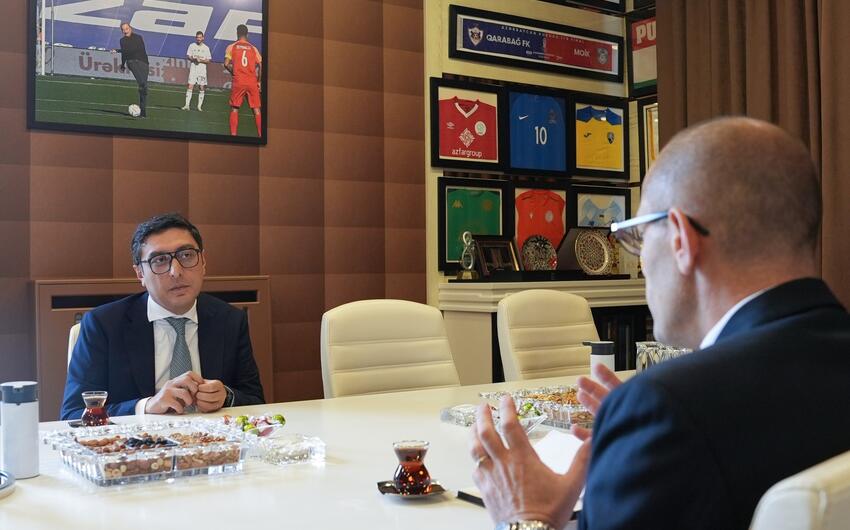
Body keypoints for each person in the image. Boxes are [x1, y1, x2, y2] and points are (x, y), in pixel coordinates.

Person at [471, 117, 850, 530]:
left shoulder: (670, 412)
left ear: (680, 239)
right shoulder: (666, 410)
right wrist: (633, 437)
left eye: (638, 236)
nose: (642, 262)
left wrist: (527, 517)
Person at [60, 213, 265, 420]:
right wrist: (146, 406)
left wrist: (227, 397)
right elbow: (73, 414)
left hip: (212, 438)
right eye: (159, 260)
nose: (176, 271)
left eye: (186, 255)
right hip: (139, 439)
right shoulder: (103, 325)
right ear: (140, 273)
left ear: (203, 261)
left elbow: (256, 401)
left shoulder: (230, 320)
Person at [224, 24, 262, 137]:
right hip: (251, 81)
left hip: (239, 81)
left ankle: (233, 134)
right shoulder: (253, 48)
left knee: (235, 108)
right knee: (256, 109)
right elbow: (261, 65)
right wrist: (259, 81)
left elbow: (226, 64)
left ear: (237, 33)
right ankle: (261, 135)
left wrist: (233, 72)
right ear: (247, 34)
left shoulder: (232, 47)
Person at [117, 23, 149, 118]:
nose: (125, 31)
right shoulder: (122, 40)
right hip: (132, 62)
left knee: (143, 87)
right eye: (123, 29)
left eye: (126, 28)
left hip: (143, 62)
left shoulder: (138, 37)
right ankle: (142, 86)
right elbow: (125, 54)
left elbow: (135, 49)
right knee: (142, 83)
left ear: (130, 28)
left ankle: (143, 112)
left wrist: (118, 50)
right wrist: (123, 64)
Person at [183, 31, 211, 111]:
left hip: (202, 71)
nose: (198, 39)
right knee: (190, 86)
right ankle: (187, 105)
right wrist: (194, 59)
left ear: (203, 38)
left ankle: (199, 107)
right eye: (197, 37)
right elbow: (188, 56)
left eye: (200, 37)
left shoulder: (206, 48)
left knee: (201, 87)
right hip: (193, 69)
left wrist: (200, 61)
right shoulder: (192, 46)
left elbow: (208, 60)